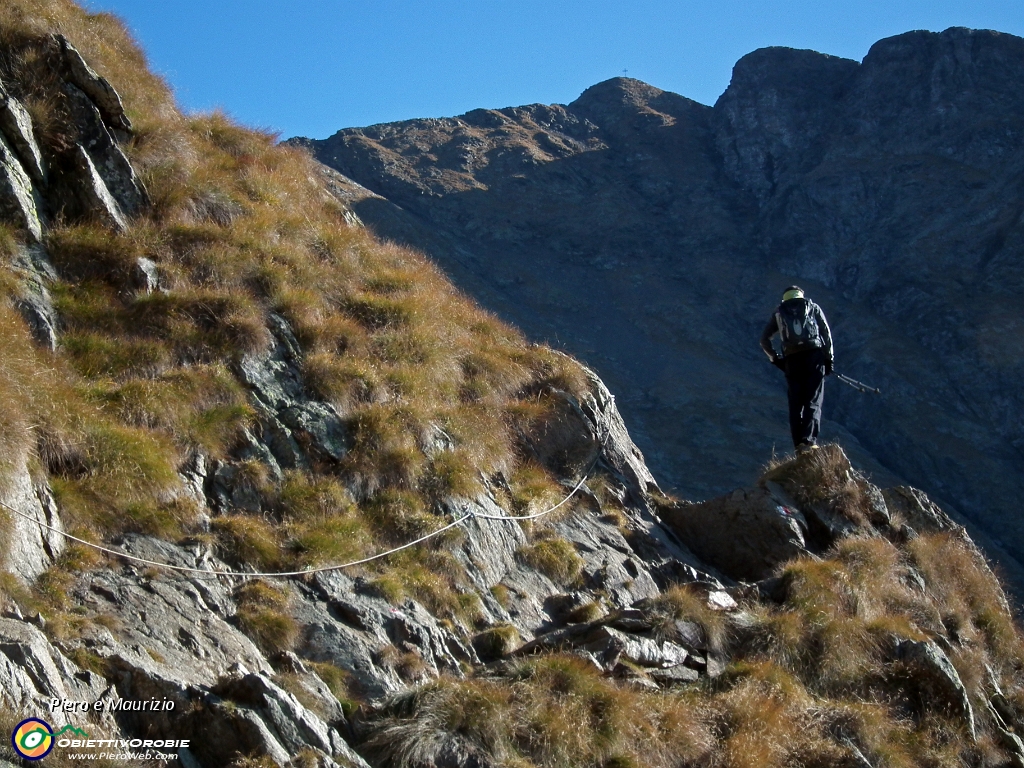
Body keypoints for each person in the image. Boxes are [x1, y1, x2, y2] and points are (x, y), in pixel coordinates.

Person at [760, 286, 834, 452]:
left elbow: (764, 340)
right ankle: (809, 441)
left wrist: (776, 359)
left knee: (795, 403)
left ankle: (798, 445)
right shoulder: (812, 307)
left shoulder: (779, 312)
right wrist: (828, 359)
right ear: (801, 294)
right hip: (814, 356)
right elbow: (825, 333)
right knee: (813, 400)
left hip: (792, 360)